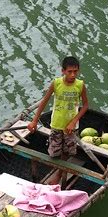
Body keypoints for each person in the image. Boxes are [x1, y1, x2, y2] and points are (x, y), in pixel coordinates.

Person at [27, 56, 89, 184]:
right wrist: (34, 120)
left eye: (75, 71)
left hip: (71, 127)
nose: (73, 75)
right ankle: (56, 170)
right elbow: (44, 102)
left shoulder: (80, 85)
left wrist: (73, 122)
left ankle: (58, 175)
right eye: (69, 71)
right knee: (54, 153)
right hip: (56, 124)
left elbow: (86, 106)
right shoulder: (56, 83)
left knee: (66, 153)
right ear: (63, 71)